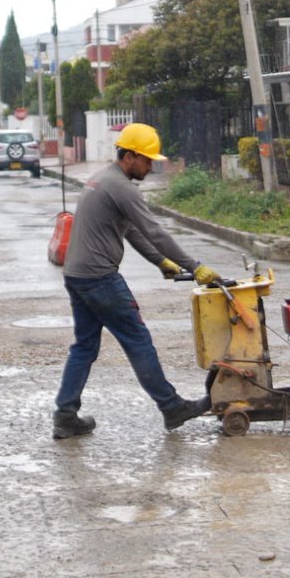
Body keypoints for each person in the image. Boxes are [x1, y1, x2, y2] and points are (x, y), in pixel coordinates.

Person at [52, 122, 220, 440]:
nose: (150, 165)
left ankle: (65, 413)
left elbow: (130, 230)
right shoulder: (121, 187)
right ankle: (171, 407)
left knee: (85, 346)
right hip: (99, 278)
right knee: (137, 340)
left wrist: (161, 262)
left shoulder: (103, 179)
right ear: (128, 156)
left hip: (76, 275)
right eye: (146, 159)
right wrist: (194, 266)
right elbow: (154, 230)